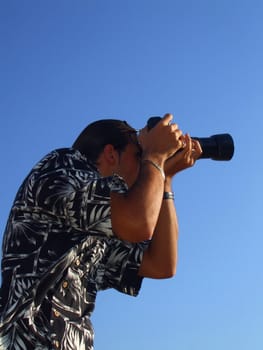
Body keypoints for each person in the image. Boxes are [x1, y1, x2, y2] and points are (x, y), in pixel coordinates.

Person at [0, 113, 202, 349]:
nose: (143, 166)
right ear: (110, 154)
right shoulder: (61, 167)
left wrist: (165, 178)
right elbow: (139, 223)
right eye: (139, 156)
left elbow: (162, 264)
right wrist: (155, 156)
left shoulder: (98, 231)